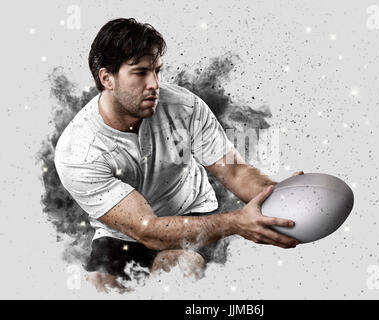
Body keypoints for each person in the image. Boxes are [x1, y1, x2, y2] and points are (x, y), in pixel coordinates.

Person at [54, 17, 302, 291]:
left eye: (157, 71)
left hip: (192, 214)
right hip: (125, 232)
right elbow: (146, 229)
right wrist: (238, 222)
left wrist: (280, 197)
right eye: (140, 73)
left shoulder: (184, 107)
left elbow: (233, 170)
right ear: (106, 78)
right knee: (98, 287)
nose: (155, 84)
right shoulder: (78, 151)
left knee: (180, 271)